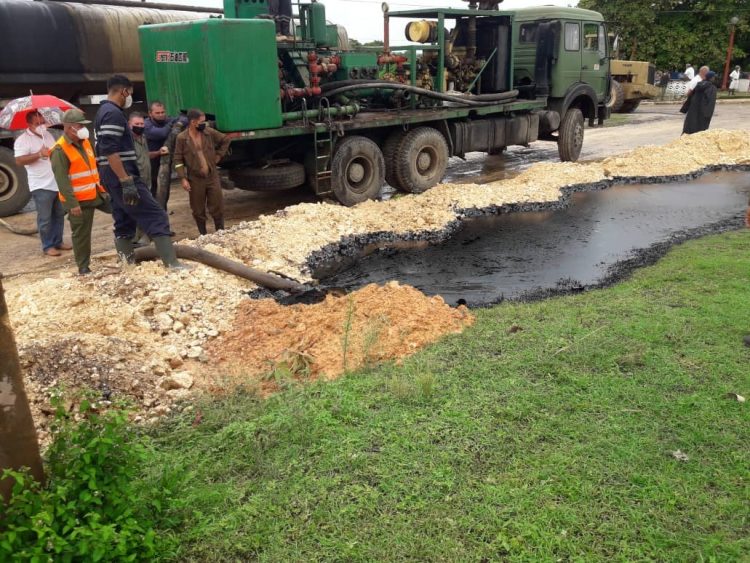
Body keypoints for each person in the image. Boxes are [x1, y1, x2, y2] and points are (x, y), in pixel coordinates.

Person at [94, 75, 187, 269]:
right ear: (124, 92)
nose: (129, 97)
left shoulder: (102, 111)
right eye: (130, 93)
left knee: (124, 217)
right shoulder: (112, 113)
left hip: (110, 175)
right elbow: (109, 150)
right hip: (122, 175)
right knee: (156, 215)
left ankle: (127, 264)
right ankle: (172, 264)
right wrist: (126, 180)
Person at [49, 109, 112, 274]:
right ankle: (83, 267)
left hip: (97, 193)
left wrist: (104, 189)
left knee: (124, 209)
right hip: (79, 201)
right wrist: (72, 204)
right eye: (81, 125)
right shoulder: (59, 151)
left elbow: (93, 168)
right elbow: (62, 181)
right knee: (81, 235)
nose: (85, 128)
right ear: (70, 128)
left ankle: (135, 243)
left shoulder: (85, 142)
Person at [13, 111, 71, 256]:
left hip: (55, 182)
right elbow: (19, 161)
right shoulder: (23, 140)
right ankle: (48, 245)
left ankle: (58, 241)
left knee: (58, 214)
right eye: (37, 124)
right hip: (40, 185)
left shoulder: (48, 136)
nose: (41, 126)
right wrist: (39, 154)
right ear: (29, 124)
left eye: (42, 122)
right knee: (45, 218)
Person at [173, 108, 231, 235]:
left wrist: (219, 156)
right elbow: (177, 159)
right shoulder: (182, 138)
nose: (205, 124)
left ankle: (220, 232)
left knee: (217, 206)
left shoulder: (208, 132)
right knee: (198, 210)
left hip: (212, 175)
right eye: (202, 121)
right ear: (193, 122)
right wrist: (183, 178)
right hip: (195, 178)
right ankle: (203, 235)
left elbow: (226, 139)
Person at [129, 111, 161, 246]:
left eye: (142, 124)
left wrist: (159, 153)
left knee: (144, 210)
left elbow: (145, 155)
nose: (140, 126)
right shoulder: (126, 142)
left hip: (146, 182)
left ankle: (143, 237)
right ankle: (134, 241)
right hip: (135, 182)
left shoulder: (143, 138)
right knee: (136, 211)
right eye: (136, 124)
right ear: (129, 124)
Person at [143, 101, 174, 203]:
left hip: (164, 162)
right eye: (157, 113)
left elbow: (183, 119)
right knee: (152, 189)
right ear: (150, 113)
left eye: (163, 112)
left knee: (164, 190)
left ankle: (162, 211)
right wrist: (171, 124)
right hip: (149, 163)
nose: (161, 115)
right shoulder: (146, 124)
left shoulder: (166, 120)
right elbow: (161, 133)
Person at [683, 70, 717, 135]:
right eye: (714, 77)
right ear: (711, 78)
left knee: (690, 127)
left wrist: (685, 109)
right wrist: (708, 114)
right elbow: (710, 102)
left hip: (693, 110)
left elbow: (690, 97)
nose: (714, 78)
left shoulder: (698, 85)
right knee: (700, 130)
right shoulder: (712, 88)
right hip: (703, 112)